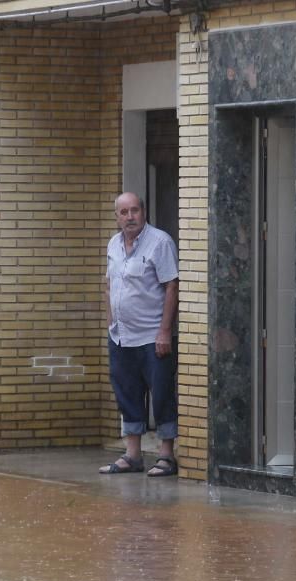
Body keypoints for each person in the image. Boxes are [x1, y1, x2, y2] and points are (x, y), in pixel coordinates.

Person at [100, 192, 179, 477]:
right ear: (117, 216)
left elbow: (172, 286)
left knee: (161, 395)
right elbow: (109, 285)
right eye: (124, 212)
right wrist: (112, 324)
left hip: (152, 336)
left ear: (143, 212)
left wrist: (165, 332)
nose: (130, 217)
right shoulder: (113, 244)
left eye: (134, 210)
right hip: (121, 337)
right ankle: (132, 455)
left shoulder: (160, 242)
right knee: (127, 394)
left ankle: (166, 456)